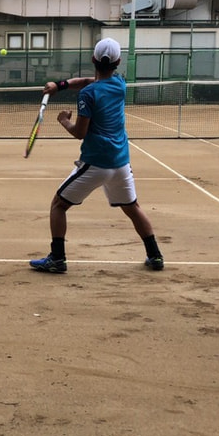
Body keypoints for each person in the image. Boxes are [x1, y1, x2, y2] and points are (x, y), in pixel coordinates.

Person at [29, 37, 164, 274]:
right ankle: (155, 255)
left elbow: (80, 133)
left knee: (58, 205)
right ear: (118, 62)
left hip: (96, 163)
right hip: (121, 162)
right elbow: (88, 81)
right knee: (132, 207)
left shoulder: (88, 94)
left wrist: (64, 121)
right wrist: (59, 86)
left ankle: (57, 259)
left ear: (92, 59)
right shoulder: (120, 85)